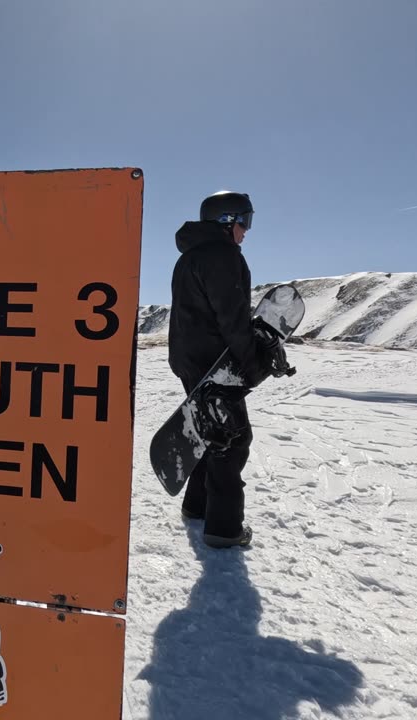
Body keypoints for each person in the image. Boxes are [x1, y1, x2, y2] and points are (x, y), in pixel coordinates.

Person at [168, 190, 263, 549]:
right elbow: (232, 319)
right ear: (227, 222)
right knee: (233, 441)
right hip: (214, 364)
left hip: (190, 360)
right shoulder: (222, 257)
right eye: (245, 221)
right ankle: (224, 529)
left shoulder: (191, 257)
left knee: (211, 431)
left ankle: (197, 507)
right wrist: (251, 363)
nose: (246, 230)